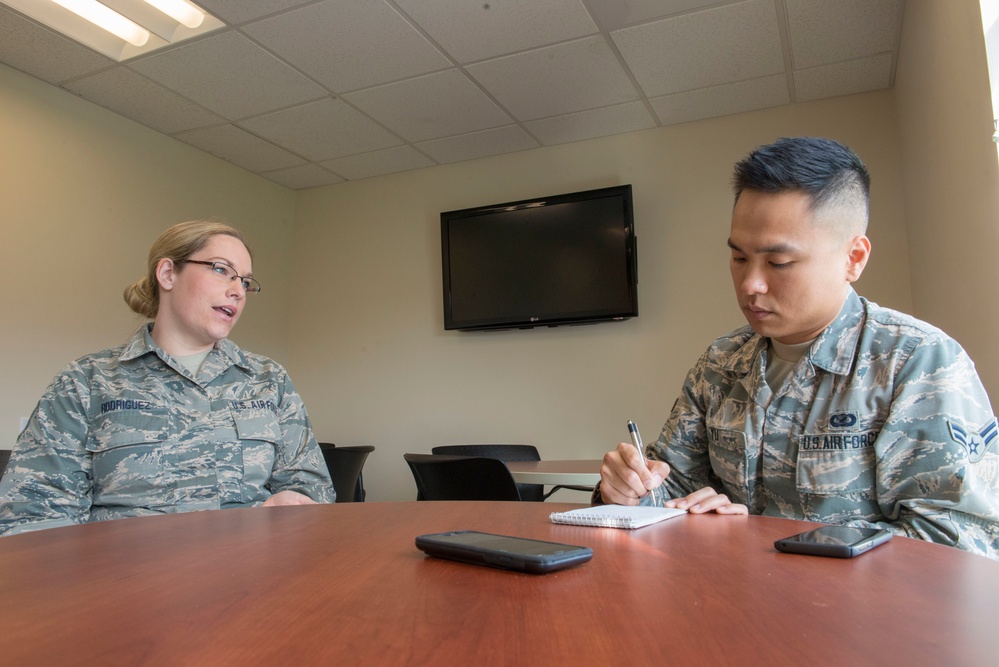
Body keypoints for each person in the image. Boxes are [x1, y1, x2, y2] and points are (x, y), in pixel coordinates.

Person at [597, 137, 999, 559]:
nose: (750, 284)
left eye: (779, 263)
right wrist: (629, 491)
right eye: (738, 259)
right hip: (726, 605)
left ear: (853, 258)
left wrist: (752, 537)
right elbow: (672, 485)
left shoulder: (916, 362)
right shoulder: (720, 363)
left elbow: (959, 542)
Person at [0, 220, 334, 535]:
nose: (238, 291)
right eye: (222, 270)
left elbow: (311, 484)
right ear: (168, 273)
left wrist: (297, 501)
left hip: (251, 577)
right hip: (123, 585)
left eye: (245, 281)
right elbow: (32, 511)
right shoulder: (87, 381)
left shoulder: (267, 379)